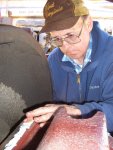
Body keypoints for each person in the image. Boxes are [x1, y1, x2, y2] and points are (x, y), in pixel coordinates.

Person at [25, 0, 113, 134]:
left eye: (70, 35)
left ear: (88, 23)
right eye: (56, 39)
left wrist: (75, 111)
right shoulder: (54, 59)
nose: (65, 46)